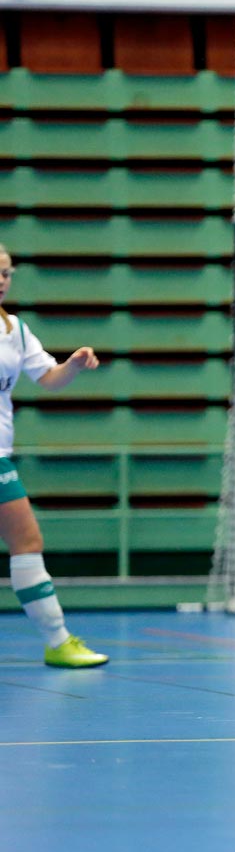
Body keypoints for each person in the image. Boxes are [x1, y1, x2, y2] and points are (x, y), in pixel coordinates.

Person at [0, 243, 107, 668]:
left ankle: (58, 642)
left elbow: (48, 378)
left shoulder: (15, 330)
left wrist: (75, 365)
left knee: (27, 542)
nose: (1, 280)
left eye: (6, 273)